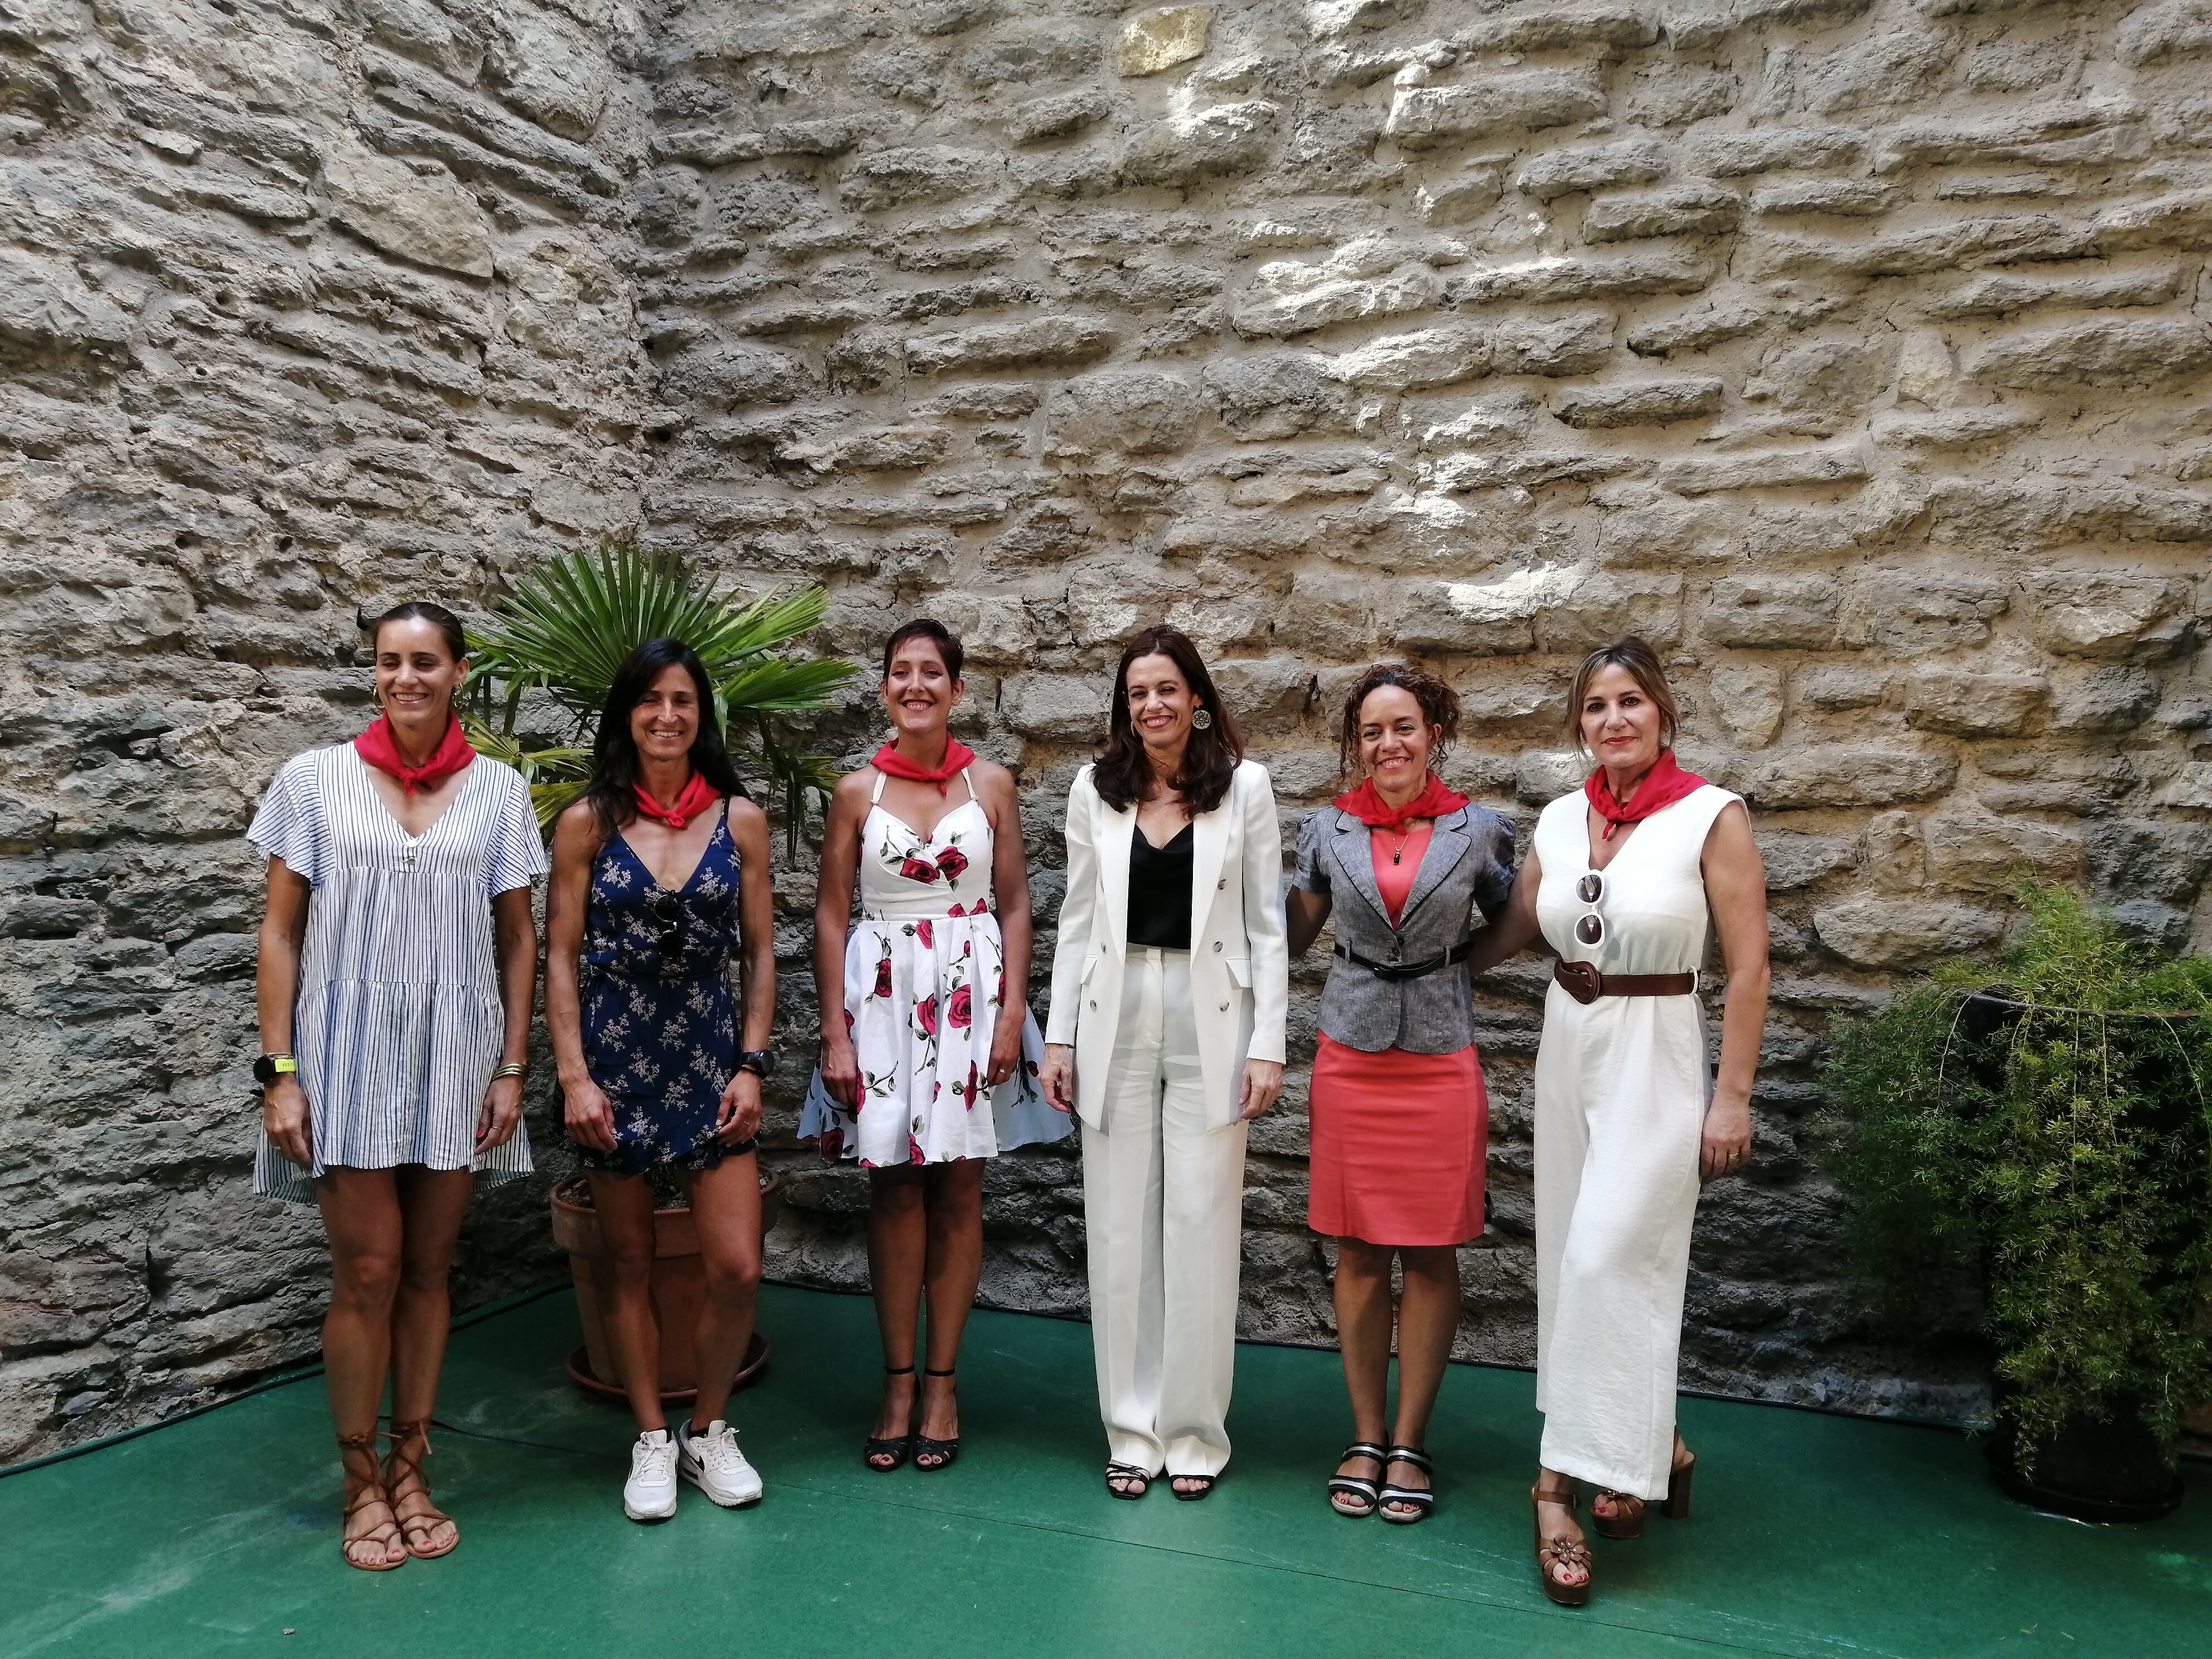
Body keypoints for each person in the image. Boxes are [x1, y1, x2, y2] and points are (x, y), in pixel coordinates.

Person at [1462, 637, 1769, 1607]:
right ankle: (1657, 1447)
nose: (1614, 721)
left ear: (1663, 713)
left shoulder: (1712, 817)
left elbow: (1751, 968)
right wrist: (1431, 969)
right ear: (1579, 725)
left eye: (1630, 701)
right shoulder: (1559, 818)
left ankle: (1556, 1486)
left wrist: (1733, 1095)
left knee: (1611, 1255)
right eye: (1596, 707)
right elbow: (1520, 925)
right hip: (1571, 1041)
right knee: (1572, 1262)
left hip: (1658, 1051)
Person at [250, 600, 545, 1571]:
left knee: (428, 1269)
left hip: (457, 1052)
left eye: (425, 661)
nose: (405, 678)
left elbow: (518, 937)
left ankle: (414, 1464)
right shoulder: (315, 780)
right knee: (366, 1271)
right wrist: (280, 1071)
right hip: (342, 1048)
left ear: (460, 671)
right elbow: (281, 932)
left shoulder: (500, 790)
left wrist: (511, 1063)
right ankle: (358, 1478)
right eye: (389, 662)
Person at [800, 619, 1068, 1473]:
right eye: (899, 673)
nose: (915, 685)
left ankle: (945, 1385)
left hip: (969, 996)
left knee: (959, 1188)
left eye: (931, 673)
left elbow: (1018, 903)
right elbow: (833, 912)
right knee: (893, 1191)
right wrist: (833, 1030)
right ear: (884, 688)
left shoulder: (991, 784)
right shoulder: (855, 794)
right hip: (880, 999)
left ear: (957, 688)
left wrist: (1008, 1017)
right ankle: (897, 1382)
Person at [1041, 625, 1288, 1501]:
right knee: (1117, 1229)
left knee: (1202, 1225)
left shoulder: (1245, 789)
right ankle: (1131, 1429)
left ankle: (1193, 1433)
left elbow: (1268, 925)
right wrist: (1059, 1036)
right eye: (1138, 692)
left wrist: (1268, 1043)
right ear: (1125, 707)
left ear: (1199, 700)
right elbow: (1075, 923)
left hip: (1209, 1017)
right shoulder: (1092, 792)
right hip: (1116, 1013)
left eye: (1168, 690)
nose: (1153, 705)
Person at [545, 637, 777, 1524]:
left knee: (735, 1264)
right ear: (627, 714)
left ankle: (708, 1430)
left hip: (713, 1071)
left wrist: (752, 1065)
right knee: (631, 1262)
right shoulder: (587, 823)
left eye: (683, 700)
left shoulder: (739, 820)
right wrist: (573, 1077)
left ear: (702, 714)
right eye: (651, 700)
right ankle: (650, 1438)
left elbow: (760, 957)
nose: (668, 715)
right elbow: (559, 958)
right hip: (614, 1067)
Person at [1286, 665, 1514, 1525]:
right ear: (1357, 742)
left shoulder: (1480, 830)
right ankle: (1365, 1433)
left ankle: (1412, 1442)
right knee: (1354, 1250)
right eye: (1374, 731)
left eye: (1406, 727)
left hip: (1441, 1056)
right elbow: (1294, 933)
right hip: (1351, 1052)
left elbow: (1513, 916)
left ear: (1435, 734)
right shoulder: (1325, 830)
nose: (1390, 744)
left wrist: (1456, 971)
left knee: (1430, 1251)